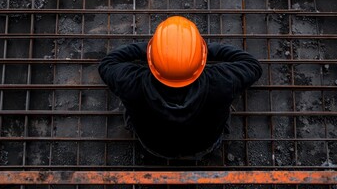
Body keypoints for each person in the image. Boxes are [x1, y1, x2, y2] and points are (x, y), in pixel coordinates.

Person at [99, 16, 262, 160]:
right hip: (204, 146)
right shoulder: (222, 81)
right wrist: (203, 50)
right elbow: (252, 65)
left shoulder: (131, 82)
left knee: (130, 103)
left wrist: (150, 49)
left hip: (154, 147)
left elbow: (108, 63)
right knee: (224, 103)